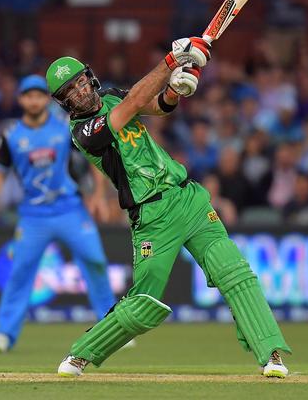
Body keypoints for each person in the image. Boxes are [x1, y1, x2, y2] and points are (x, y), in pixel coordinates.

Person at [46, 37, 291, 378]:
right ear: (64, 102)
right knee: (142, 305)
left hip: (186, 197)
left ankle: (272, 355)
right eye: (71, 91)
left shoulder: (111, 95)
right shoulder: (83, 133)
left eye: (82, 81)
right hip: (152, 216)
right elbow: (131, 106)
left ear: (90, 77)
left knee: (234, 272)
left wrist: (175, 91)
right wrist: (171, 61)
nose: (81, 91)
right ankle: (80, 355)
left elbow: (155, 106)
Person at [0, 75, 117, 353]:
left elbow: (93, 156)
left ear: (45, 100)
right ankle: (4, 334)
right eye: (29, 96)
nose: (34, 100)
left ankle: (112, 326)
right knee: (20, 272)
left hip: (70, 209)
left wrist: (98, 195)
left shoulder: (64, 127)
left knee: (96, 262)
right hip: (33, 215)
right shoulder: (11, 135)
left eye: (40, 95)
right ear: (21, 100)